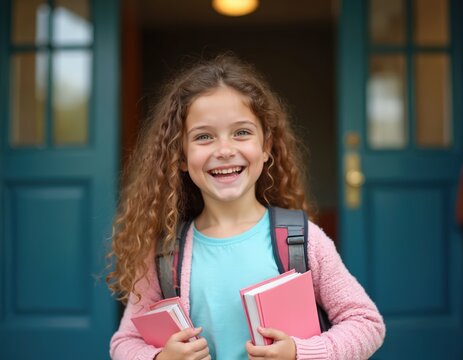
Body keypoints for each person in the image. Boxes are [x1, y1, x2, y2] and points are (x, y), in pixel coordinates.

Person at [107, 54, 385, 360]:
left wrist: (300, 353)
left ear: (266, 147)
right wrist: (161, 358)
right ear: (181, 158)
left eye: (241, 132)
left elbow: (366, 323)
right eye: (204, 137)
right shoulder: (165, 252)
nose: (225, 150)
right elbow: (124, 342)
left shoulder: (302, 239)